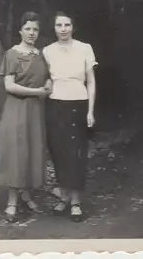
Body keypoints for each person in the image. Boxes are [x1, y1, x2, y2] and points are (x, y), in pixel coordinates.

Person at [0, 11, 52, 222]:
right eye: (28, 29)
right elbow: (9, 86)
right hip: (17, 109)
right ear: (20, 31)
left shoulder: (41, 54)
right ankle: (12, 201)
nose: (31, 33)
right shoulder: (12, 54)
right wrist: (38, 93)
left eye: (35, 29)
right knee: (16, 152)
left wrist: (48, 85)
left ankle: (26, 194)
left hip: (35, 111)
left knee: (31, 151)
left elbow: (49, 78)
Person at [43, 11, 97, 222]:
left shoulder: (85, 49)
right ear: (54, 28)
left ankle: (75, 201)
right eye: (59, 25)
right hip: (55, 105)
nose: (63, 29)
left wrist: (91, 111)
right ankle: (63, 197)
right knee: (58, 151)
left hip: (78, 104)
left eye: (67, 25)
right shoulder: (47, 51)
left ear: (73, 27)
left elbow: (91, 81)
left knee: (76, 153)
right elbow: (46, 79)